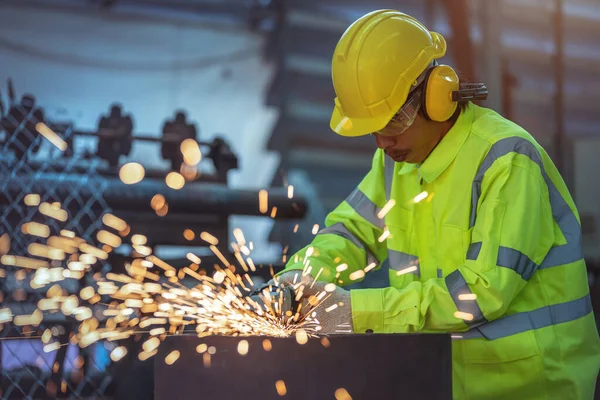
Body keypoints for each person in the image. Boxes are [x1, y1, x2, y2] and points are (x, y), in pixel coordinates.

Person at [274, 9, 600, 399]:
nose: (382, 142)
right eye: (372, 129)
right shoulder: (398, 162)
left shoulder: (507, 161)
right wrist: (299, 279)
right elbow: (352, 234)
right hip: (443, 380)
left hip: (529, 386)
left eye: (392, 122)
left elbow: (480, 294)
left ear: (437, 96)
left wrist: (351, 312)